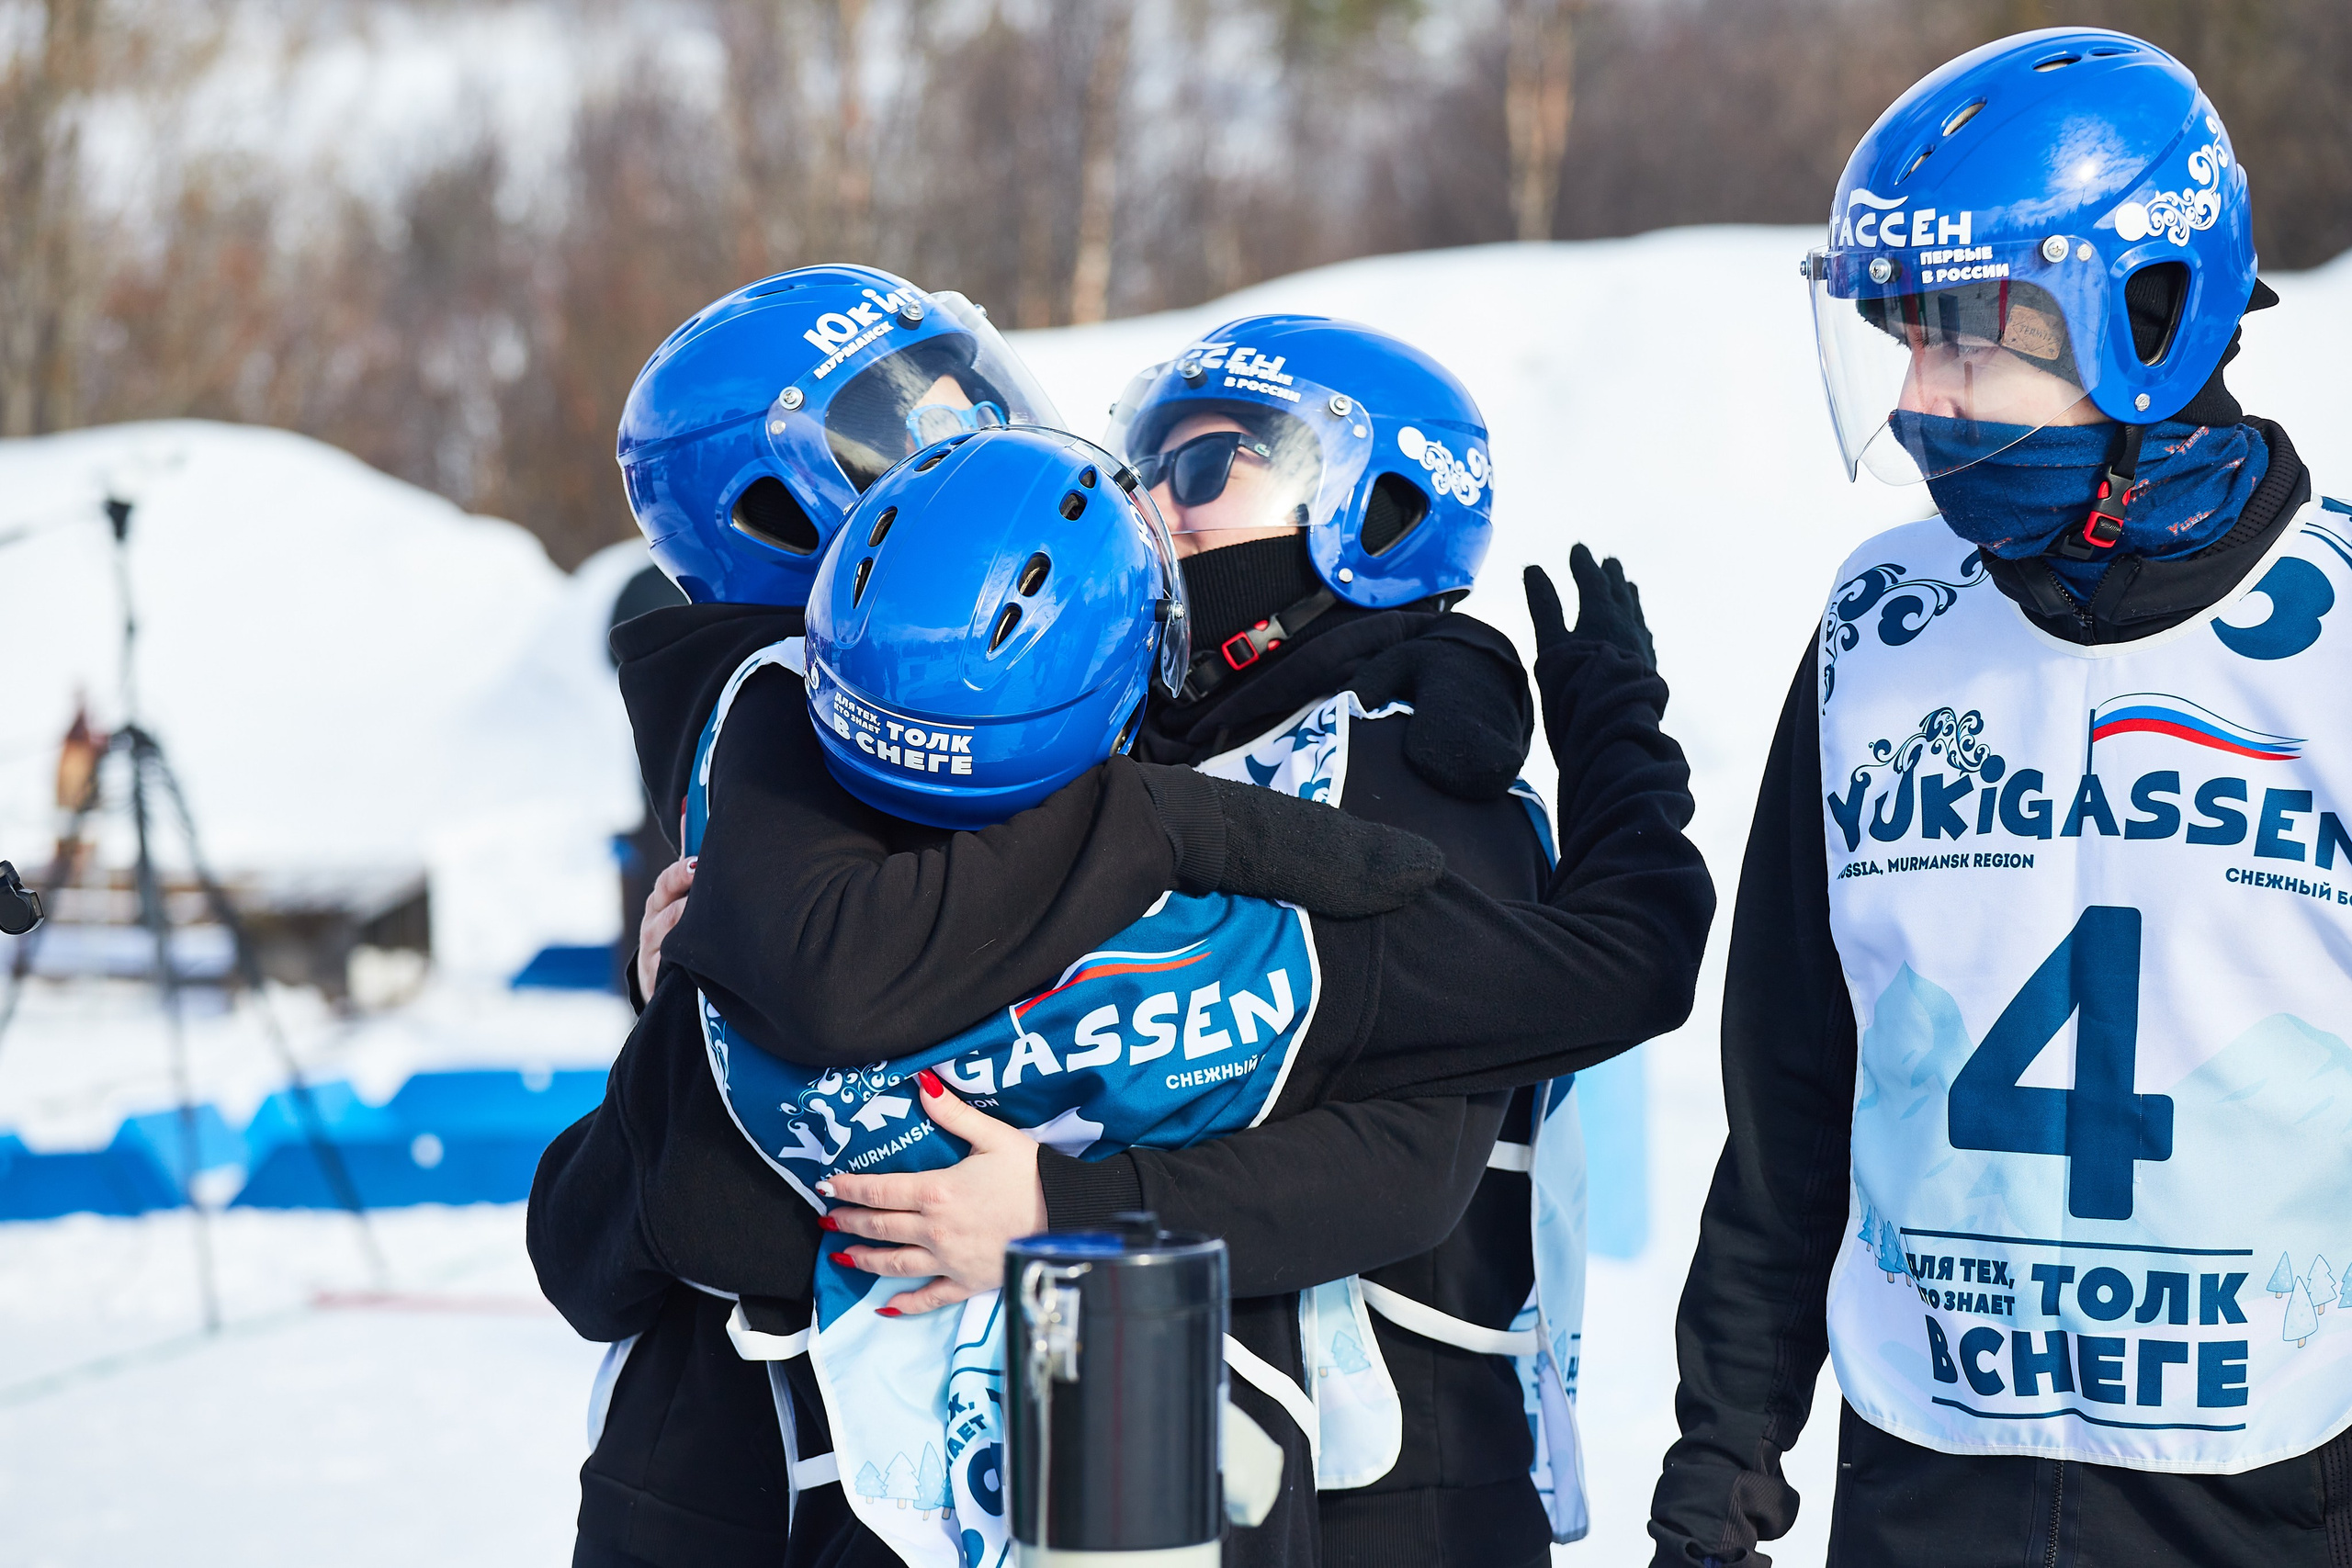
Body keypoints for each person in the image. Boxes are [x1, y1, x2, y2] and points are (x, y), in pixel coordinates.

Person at [533, 276, 1713, 1568]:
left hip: (1384, 1475)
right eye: (1146, 457)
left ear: (1375, 512)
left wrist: (1065, 1203)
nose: (1147, 503)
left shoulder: (1382, 769)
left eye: (1205, 468)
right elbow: (635, 1197)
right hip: (938, 1449)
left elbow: (1438, 1132)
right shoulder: (989, 739)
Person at [1650, 28, 2347, 1568]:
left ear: (2149, 316)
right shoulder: (1879, 627)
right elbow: (1790, 1095)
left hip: (2262, 1498)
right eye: (1902, 337)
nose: (1922, 395)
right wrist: (1723, 1466)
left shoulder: (2339, 640)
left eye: (1968, 332)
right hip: (1928, 1487)